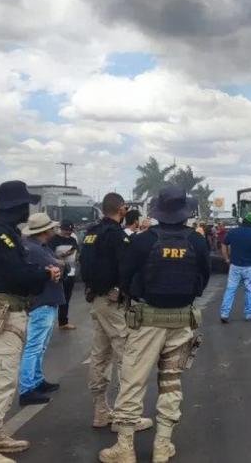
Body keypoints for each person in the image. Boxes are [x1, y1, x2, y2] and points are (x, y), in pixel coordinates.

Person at [100, 186, 210, 463]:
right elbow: (203, 279)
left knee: (133, 381)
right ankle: (163, 445)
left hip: (146, 321)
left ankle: (125, 447)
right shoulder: (197, 242)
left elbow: (125, 276)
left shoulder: (143, 241)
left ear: (159, 212)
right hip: (182, 321)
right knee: (171, 382)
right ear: (185, 213)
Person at [0, 181, 59, 463]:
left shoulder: (2, 232)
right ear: (16, 206)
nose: (27, 210)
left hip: (8, 310)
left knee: (6, 378)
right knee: (1, 379)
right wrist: (45, 274)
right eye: (25, 205)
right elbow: (17, 274)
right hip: (3, 313)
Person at [82, 193, 143, 431]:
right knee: (126, 355)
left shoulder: (91, 233)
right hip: (113, 302)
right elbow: (125, 268)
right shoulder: (117, 235)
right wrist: (121, 289)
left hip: (96, 299)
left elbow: (85, 266)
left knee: (100, 355)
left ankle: (100, 411)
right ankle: (126, 417)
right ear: (121, 209)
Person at [18, 213, 64, 406]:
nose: (54, 230)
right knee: (35, 345)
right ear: (45, 231)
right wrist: (58, 265)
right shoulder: (36, 250)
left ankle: (36, 380)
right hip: (42, 301)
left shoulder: (36, 247)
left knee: (39, 345)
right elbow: (57, 266)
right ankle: (27, 387)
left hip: (44, 300)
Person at [220, 213, 251, 322]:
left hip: (234, 266)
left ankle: (224, 313)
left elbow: (223, 244)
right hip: (249, 267)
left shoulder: (233, 232)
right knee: (250, 290)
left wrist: (226, 258)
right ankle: (249, 314)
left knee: (230, 289)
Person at [48, 220, 79, 330]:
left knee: (66, 297)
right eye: (66, 231)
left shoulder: (72, 239)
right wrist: (60, 256)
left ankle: (63, 321)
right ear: (62, 229)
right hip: (58, 272)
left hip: (70, 271)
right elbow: (49, 254)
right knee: (54, 297)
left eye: (70, 231)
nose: (68, 233)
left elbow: (75, 249)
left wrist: (70, 253)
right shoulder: (54, 240)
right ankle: (49, 322)